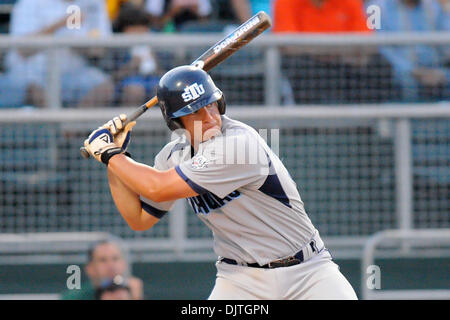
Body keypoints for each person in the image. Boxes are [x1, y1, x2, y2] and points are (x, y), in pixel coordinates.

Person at [82, 65, 358, 299]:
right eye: (196, 111)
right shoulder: (173, 156)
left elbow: (157, 186)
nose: (210, 117)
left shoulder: (240, 144)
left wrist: (110, 154)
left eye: (211, 105)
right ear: (176, 121)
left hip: (307, 273)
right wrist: (114, 161)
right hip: (240, 279)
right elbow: (139, 219)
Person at [272, 0, 394, 104]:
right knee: (302, 66)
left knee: (379, 64)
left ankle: (367, 125)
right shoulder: (286, 2)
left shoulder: (349, 1)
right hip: (311, 66)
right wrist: (338, 49)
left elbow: (367, 43)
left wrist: (319, 49)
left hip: (345, 64)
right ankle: (310, 126)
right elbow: (288, 45)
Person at [6, 0, 114, 108]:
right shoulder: (29, 3)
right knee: (34, 90)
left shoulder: (94, 3)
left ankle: (73, 124)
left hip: (75, 73)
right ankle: (56, 123)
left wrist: (78, 44)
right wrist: (60, 25)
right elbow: (22, 50)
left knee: (104, 88)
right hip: (33, 73)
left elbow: (100, 50)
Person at [368, 0, 450, 102]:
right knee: (405, 81)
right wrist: (411, 70)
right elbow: (378, 47)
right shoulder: (375, 8)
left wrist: (446, 11)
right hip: (397, 73)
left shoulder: (434, 6)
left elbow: (446, 47)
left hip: (435, 70)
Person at [106, 3, 161, 106]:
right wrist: (132, 65)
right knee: (135, 90)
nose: (140, 33)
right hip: (128, 81)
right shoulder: (117, 46)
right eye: (135, 29)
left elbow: (165, 72)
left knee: (159, 88)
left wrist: (155, 62)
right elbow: (113, 77)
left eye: (143, 29)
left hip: (152, 78)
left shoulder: (155, 43)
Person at [61, 239, 143, 300]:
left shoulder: (132, 290)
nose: (111, 265)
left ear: (124, 264)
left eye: (115, 259)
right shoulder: (74, 297)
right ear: (90, 268)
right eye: (103, 260)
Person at [145, 0, 212, 32]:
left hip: (194, 38)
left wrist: (195, 11)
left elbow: (206, 25)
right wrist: (173, 12)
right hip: (167, 38)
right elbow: (155, 26)